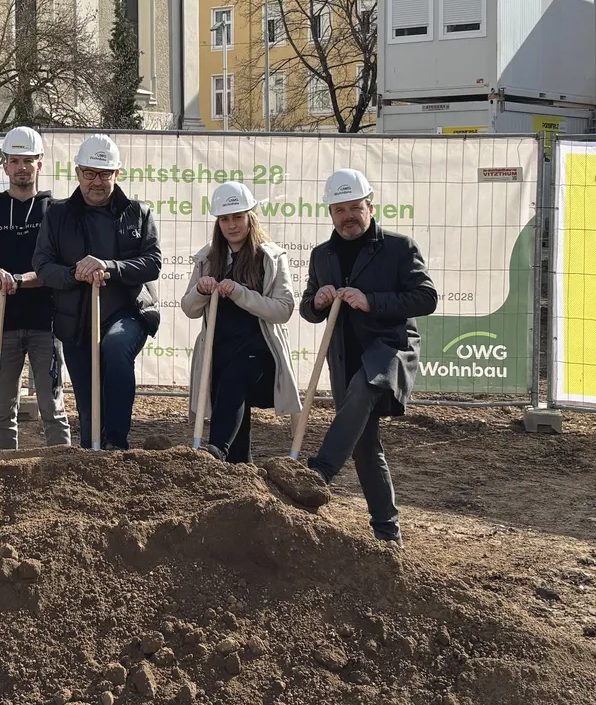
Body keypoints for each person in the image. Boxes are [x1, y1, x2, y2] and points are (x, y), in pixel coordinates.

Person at [299, 168, 438, 545]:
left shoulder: (398, 247)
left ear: (370, 207)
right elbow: (307, 310)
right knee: (363, 445)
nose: (348, 216)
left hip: (390, 349)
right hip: (346, 355)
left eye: (355, 208)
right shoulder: (322, 255)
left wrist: (371, 301)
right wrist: (318, 300)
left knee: (365, 388)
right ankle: (387, 532)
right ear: (330, 213)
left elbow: (426, 298)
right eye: (339, 209)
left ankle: (320, 472)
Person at [34, 134, 161, 450]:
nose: (96, 181)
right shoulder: (57, 215)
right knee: (89, 403)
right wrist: (74, 273)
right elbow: (43, 265)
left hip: (127, 313)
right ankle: (94, 452)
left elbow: (152, 263)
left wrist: (109, 266)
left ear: (117, 174)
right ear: (77, 173)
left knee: (117, 350)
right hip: (76, 322)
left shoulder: (138, 213)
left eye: (105, 174)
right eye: (89, 173)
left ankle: (117, 441)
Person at [181, 182, 302, 462]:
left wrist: (240, 293)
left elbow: (283, 310)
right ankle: (239, 473)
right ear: (217, 223)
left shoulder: (270, 257)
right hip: (218, 353)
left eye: (238, 217)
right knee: (231, 398)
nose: (232, 225)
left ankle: (215, 450)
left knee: (237, 377)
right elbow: (189, 308)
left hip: (259, 357)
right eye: (225, 219)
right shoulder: (208, 258)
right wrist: (200, 290)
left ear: (251, 217)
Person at [0, 127, 71, 448]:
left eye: (29, 160)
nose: (22, 167)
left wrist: (18, 280)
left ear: (40, 164)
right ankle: (2, 473)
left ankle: (63, 472)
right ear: (5, 166)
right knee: (1, 409)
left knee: (52, 407)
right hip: (0, 327)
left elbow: (57, 270)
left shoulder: (57, 212)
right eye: (15, 161)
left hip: (47, 325)